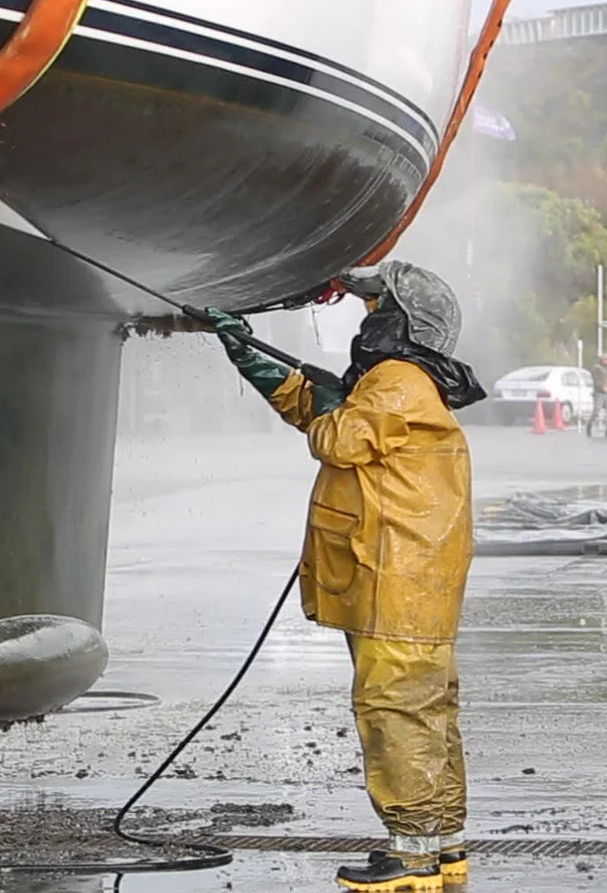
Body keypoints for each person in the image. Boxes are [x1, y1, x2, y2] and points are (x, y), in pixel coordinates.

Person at [208, 260, 486, 893]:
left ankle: (411, 855)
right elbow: (328, 417)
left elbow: (337, 440)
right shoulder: (409, 385)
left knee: (393, 710)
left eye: (376, 308)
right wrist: (260, 363)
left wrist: (329, 398)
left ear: (402, 323)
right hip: (411, 585)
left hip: (397, 582)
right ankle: (441, 844)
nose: (368, 320)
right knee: (428, 711)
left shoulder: (397, 379)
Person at [588, 352, 607, 438]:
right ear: (602, 360)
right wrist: (602, 388)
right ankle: (589, 426)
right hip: (599, 393)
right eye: (606, 359)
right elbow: (596, 381)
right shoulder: (597, 368)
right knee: (596, 411)